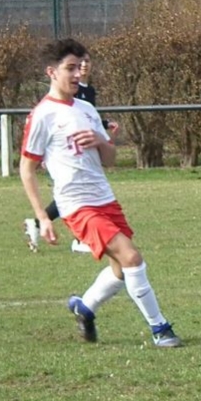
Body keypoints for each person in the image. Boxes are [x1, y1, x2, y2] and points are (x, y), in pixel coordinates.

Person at [19, 38, 181, 348]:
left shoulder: (87, 108)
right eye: (70, 68)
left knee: (121, 269)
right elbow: (27, 169)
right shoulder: (42, 115)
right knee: (132, 257)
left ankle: (85, 307)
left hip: (105, 198)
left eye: (79, 67)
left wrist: (100, 139)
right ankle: (160, 329)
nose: (77, 74)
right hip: (76, 205)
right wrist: (43, 217)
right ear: (51, 72)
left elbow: (110, 159)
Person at [23, 52, 103, 255]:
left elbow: (85, 119)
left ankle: (38, 223)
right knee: (71, 192)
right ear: (52, 72)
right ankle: (78, 238)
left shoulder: (87, 94)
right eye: (73, 66)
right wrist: (46, 152)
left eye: (85, 62)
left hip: (87, 164)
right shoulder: (49, 107)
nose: (82, 67)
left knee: (127, 259)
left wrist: (103, 131)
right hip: (67, 159)